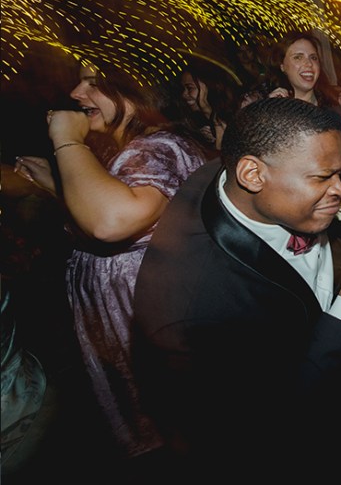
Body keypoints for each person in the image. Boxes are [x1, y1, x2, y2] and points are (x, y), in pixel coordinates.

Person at [131, 97, 341, 481]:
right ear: (252, 175)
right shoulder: (194, 309)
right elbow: (276, 418)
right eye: (322, 178)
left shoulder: (249, 166)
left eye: (340, 175)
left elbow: (293, 131)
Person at [13, 64, 207, 461]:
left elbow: (112, 221)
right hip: (136, 329)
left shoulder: (157, 147)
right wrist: (57, 186)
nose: (76, 93)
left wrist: (67, 141)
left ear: (134, 86)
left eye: (93, 82)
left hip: (153, 328)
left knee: (187, 445)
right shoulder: (134, 147)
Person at [267, 31, 341, 110]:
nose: (309, 63)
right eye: (298, 57)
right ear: (282, 66)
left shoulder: (337, 100)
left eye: (313, 58)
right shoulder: (276, 106)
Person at [177, 59, 240, 151]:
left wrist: (207, 109)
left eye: (190, 88)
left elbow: (232, 148)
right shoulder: (194, 121)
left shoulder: (237, 112)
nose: (184, 94)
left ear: (207, 87)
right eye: (183, 89)